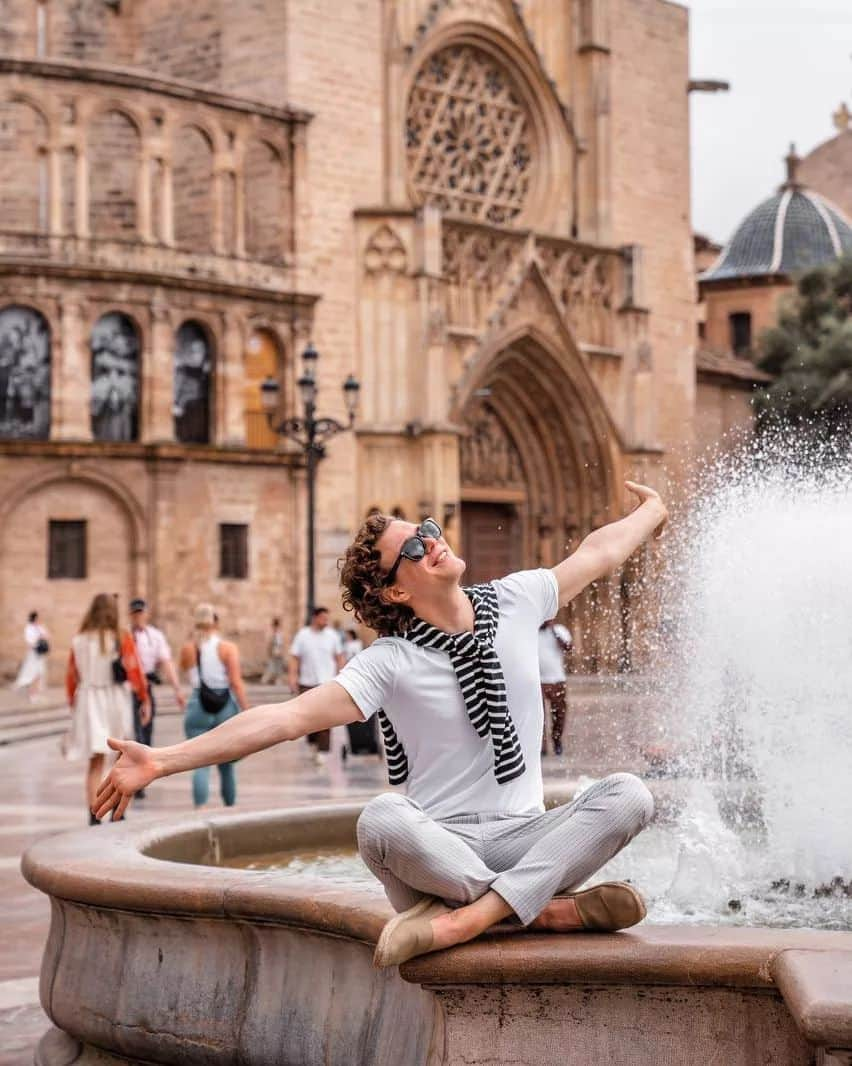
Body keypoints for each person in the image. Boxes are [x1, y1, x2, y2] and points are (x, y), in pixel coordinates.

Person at [94, 481, 667, 968]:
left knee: (627, 795)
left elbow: (598, 553)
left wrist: (651, 511)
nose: (433, 541)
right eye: (415, 547)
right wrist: (163, 759)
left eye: (427, 529)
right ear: (397, 589)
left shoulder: (516, 599)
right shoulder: (391, 660)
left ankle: (472, 920)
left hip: (525, 834)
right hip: (439, 849)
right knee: (382, 819)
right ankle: (540, 910)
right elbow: (286, 718)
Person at [64, 593, 149, 824]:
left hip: (89, 699)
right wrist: (143, 697)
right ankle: (116, 810)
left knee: (96, 762)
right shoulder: (121, 637)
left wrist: (73, 702)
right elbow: (134, 669)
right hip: (115, 699)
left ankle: (93, 813)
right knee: (120, 758)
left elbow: (72, 676)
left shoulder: (79, 640)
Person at [177, 604, 249, 808]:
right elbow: (235, 682)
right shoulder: (227, 648)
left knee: (200, 762)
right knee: (227, 764)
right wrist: (246, 709)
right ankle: (230, 809)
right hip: (224, 707)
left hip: (198, 704)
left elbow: (184, 672)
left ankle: (199, 808)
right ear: (215, 622)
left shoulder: (188, 648)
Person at [128, 598, 185, 796]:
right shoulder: (126, 636)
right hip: (128, 688)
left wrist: (177, 689)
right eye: (135, 613)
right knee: (132, 732)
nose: (138, 617)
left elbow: (166, 662)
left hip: (147, 686)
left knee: (146, 732)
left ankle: (140, 777)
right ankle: (131, 776)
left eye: (140, 613)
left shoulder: (155, 636)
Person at [288, 606, 345, 762]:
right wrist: (293, 678)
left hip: (327, 683)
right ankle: (313, 742)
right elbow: (295, 658)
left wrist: (342, 676)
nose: (326, 621)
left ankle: (322, 751)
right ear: (315, 618)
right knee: (308, 719)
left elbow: (339, 657)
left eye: (327, 618)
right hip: (307, 682)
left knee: (326, 718)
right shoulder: (303, 635)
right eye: (323, 618)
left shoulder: (332, 636)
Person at [538, 618, 573, 757]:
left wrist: (553, 630)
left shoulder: (559, 630)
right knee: (539, 716)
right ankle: (542, 747)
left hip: (557, 679)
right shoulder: (531, 631)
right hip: (537, 680)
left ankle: (557, 740)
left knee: (559, 713)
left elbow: (568, 647)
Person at [14, 610, 49, 701]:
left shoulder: (40, 627)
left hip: (40, 653)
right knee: (32, 673)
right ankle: (31, 694)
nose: (39, 619)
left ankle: (36, 693)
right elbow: (30, 641)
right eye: (38, 617)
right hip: (33, 654)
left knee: (40, 673)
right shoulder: (29, 628)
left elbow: (46, 636)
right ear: (34, 618)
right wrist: (39, 638)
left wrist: (42, 635)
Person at [260, 617, 286, 684]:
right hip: (274, 652)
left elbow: (280, 644)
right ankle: (266, 680)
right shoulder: (274, 633)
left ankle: (277, 680)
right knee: (272, 666)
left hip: (277, 652)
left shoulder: (278, 633)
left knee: (277, 667)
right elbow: (273, 643)